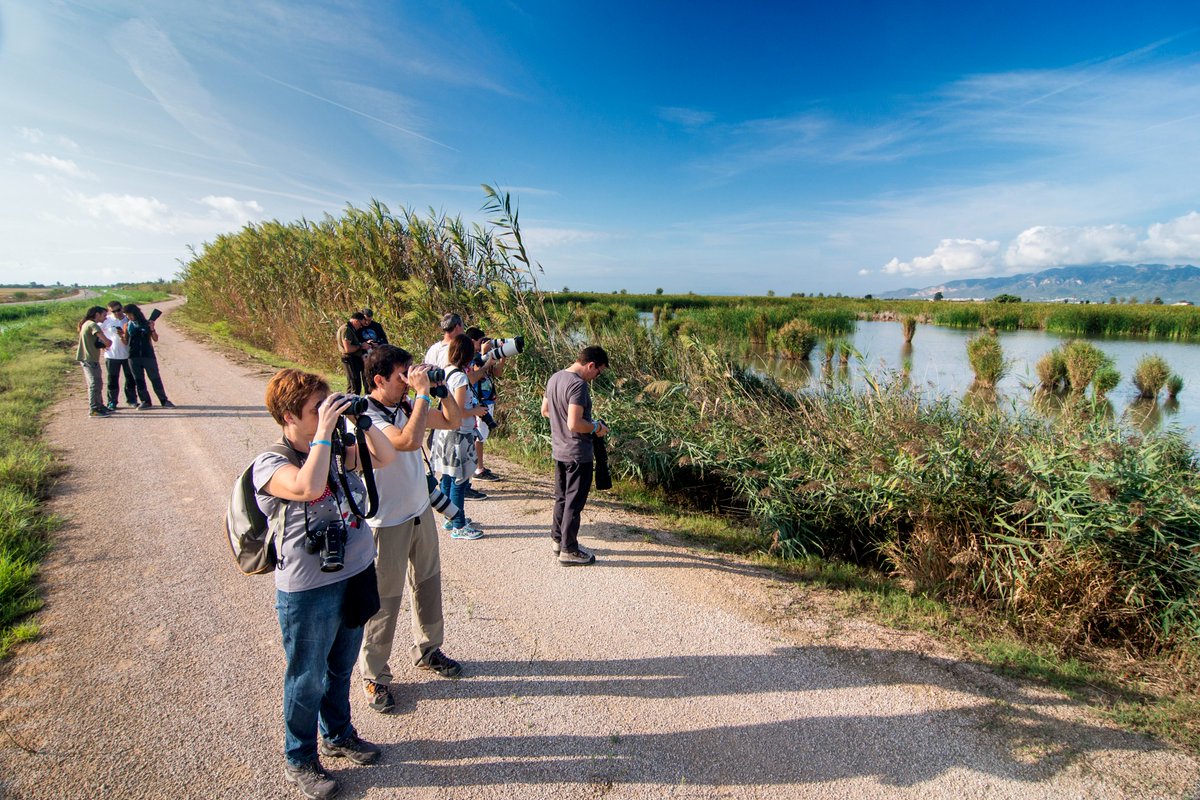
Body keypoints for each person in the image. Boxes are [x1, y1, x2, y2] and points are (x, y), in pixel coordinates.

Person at [255, 368, 396, 800]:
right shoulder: (270, 463)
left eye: (327, 404)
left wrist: (362, 419)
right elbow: (308, 486)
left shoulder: (334, 449)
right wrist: (325, 434)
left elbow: (385, 456)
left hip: (355, 574)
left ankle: (338, 734)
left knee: (341, 667)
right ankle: (299, 758)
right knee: (307, 678)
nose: (326, 413)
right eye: (317, 408)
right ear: (288, 416)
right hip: (308, 590)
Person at [358, 345, 465, 714]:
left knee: (428, 585)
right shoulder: (365, 415)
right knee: (384, 601)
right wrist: (420, 394)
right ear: (378, 379)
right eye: (401, 376)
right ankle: (374, 674)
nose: (408, 381)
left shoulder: (406, 405)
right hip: (386, 522)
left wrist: (439, 388)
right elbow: (407, 442)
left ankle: (428, 649)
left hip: (419, 512)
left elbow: (452, 420)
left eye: (410, 374)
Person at [541, 345, 610, 566]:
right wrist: (596, 427)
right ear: (591, 365)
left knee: (562, 498)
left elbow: (545, 410)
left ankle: (558, 540)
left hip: (559, 450)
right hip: (577, 453)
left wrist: (564, 419)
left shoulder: (555, 378)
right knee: (574, 502)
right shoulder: (578, 385)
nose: (596, 377)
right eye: (598, 372)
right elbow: (574, 423)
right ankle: (569, 550)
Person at [429, 334, 488, 539]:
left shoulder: (446, 371)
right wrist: (477, 411)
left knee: (447, 477)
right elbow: (459, 411)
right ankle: (459, 525)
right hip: (459, 435)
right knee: (459, 481)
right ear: (467, 354)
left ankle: (450, 517)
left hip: (444, 433)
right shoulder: (460, 378)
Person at [464, 327, 503, 482]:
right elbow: (475, 376)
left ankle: (478, 466)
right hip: (479, 402)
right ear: (473, 341)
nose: (484, 343)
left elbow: (497, 373)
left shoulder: (484, 357)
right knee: (479, 436)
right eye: (481, 341)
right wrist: (483, 353)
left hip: (488, 400)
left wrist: (502, 356)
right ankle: (478, 469)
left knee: (482, 435)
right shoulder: (471, 358)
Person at [124, 304, 175, 409]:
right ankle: (145, 401)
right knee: (139, 380)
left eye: (129, 314)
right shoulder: (128, 325)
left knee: (155, 378)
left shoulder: (147, 323)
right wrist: (120, 335)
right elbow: (125, 341)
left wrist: (152, 329)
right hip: (133, 356)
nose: (128, 317)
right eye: (127, 315)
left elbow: (155, 339)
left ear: (135, 313)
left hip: (148, 355)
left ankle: (164, 400)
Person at [76, 306, 112, 417]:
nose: (106, 318)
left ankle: (99, 405)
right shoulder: (93, 325)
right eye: (104, 315)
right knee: (94, 384)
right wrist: (108, 342)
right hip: (89, 359)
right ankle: (94, 409)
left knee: (98, 383)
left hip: (89, 358)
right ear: (97, 314)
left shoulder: (86, 324)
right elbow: (107, 341)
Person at [100, 301, 136, 411]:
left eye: (118, 310)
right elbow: (96, 332)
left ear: (122, 308)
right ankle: (112, 402)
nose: (117, 313)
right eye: (113, 311)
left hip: (128, 354)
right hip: (112, 355)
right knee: (112, 379)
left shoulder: (128, 319)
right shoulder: (106, 320)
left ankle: (132, 400)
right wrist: (102, 344)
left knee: (130, 379)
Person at [337, 313, 367, 395]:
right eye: (361, 324)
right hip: (349, 359)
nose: (361, 327)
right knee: (355, 386)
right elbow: (348, 349)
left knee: (353, 385)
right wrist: (361, 346)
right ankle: (352, 402)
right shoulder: (346, 329)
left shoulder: (350, 329)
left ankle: (349, 401)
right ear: (356, 321)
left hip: (353, 359)